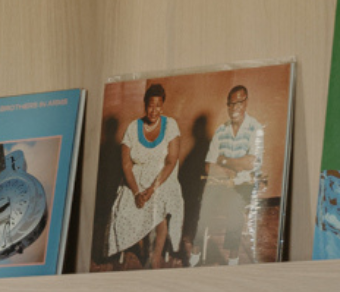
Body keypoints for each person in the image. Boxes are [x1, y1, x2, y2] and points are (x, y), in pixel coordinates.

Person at [107, 83, 185, 266]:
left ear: (162, 106)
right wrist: (136, 192)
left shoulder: (171, 125)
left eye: (158, 105)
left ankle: (155, 257)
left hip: (162, 178)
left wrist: (151, 189)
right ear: (145, 104)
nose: (154, 110)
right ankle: (138, 245)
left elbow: (171, 161)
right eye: (151, 105)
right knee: (123, 207)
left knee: (158, 206)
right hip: (136, 180)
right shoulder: (133, 128)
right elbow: (126, 164)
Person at [199, 83, 265, 265]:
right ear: (227, 106)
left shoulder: (255, 128)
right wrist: (227, 173)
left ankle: (233, 258)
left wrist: (224, 161)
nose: (235, 108)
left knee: (236, 206)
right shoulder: (221, 131)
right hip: (221, 182)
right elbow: (208, 166)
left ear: (246, 103)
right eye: (231, 104)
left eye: (239, 103)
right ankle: (196, 252)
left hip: (244, 184)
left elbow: (250, 163)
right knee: (203, 202)